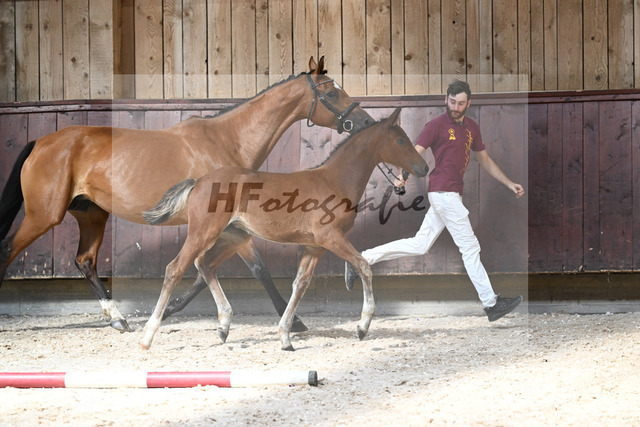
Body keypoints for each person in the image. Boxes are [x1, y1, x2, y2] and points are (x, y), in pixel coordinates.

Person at [346, 80, 525, 322]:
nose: (455, 107)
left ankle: (361, 259)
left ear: (468, 104)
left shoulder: (472, 128)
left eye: (460, 103)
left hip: (450, 195)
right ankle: (491, 303)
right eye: (452, 102)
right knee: (470, 248)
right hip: (444, 194)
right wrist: (403, 176)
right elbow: (414, 154)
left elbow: (485, 159)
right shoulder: (436, 125)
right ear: (446, 100)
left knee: (420, 244)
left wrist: (509, 183)